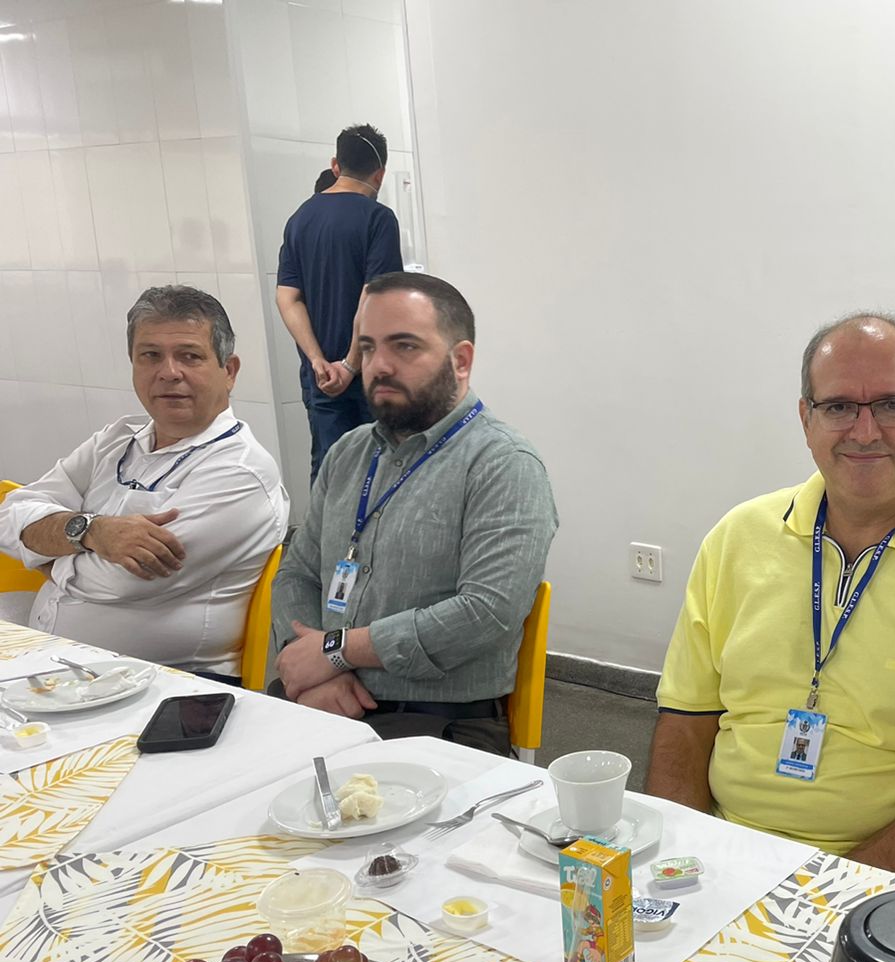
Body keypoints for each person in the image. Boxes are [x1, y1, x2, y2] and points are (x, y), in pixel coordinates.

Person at [646, 313, 895, 892]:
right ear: (806, 419)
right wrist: (679, 862)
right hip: (726, 861)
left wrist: (809, 899)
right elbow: (684, 726)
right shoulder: (736, 539)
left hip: (890, 894)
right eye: (838, 407)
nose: (864, 431)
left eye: (892, 404)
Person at [270, 271, 557, 755]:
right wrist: (312, 668)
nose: (379, 365)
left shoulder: (503, 464)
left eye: (404, 346)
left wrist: (337, 651)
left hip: (435, 723)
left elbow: (485, 613)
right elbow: (297, 573)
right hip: (316, 699)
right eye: (367, 347)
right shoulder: (348, 453)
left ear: (460, 360)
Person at [0, 286, 287, 680]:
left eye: (189, 356)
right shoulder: (115, 440)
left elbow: (119, 582)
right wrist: (91, 532)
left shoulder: (241, 472)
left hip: (168, 688)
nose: (169, 372)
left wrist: (41, 552)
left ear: (229, 371)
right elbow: (9, 515)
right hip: (62, 671)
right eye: (150, 355)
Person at [275, 122, 404, 480]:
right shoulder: (378, 219)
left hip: (321, 378)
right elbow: (374, 297)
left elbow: (287, 297)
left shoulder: (300, 218)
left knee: (331, 472)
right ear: (380, 174)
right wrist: (350, 364)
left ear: (335, 165)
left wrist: (317, 360)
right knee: (377, 475)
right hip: (370, 373)